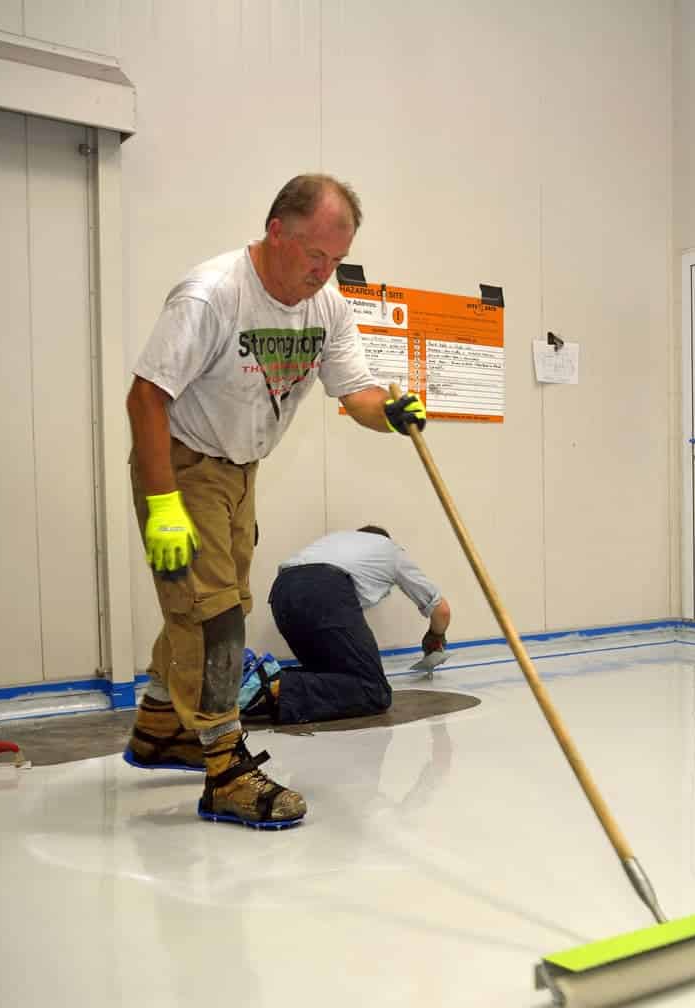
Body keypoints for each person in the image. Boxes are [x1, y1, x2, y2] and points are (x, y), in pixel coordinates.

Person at [121, 173, 428, 830]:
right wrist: (165, 504)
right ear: (276, 230)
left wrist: (393, 412)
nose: (324, 271)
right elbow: (145, 397)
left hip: (240, 470)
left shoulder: (328, 309)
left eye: (336, 259)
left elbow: (356, 394)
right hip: (180, 461)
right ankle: (225, 770)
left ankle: (158, 724)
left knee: (220, 601)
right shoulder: (214, 295)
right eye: (315, 254)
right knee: (213, 621)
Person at [239, 526, 452, 725]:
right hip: (325, 588)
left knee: (331, 675)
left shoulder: (337, 541)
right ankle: (268, 685)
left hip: (282, 593)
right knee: (373, 691)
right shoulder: (390, 549)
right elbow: (441, 610)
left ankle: (254, 680)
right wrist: (435, 636)